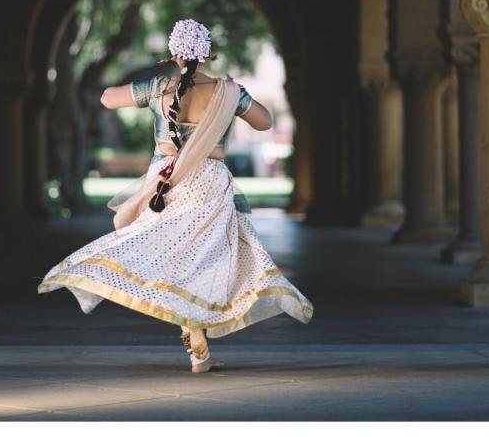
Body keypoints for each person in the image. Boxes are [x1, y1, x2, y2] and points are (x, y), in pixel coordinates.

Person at [37, 19, 313, 373]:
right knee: (204, 261)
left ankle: (197, 347)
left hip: (164, 183)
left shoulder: (159, 88)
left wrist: (146, 86)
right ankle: (200, 346)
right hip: (209, 185)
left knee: (171, 257)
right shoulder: (227, 92)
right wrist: (237, 98)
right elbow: (265, 122)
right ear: (209, 53)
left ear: (173, 54)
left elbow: (106, 99)